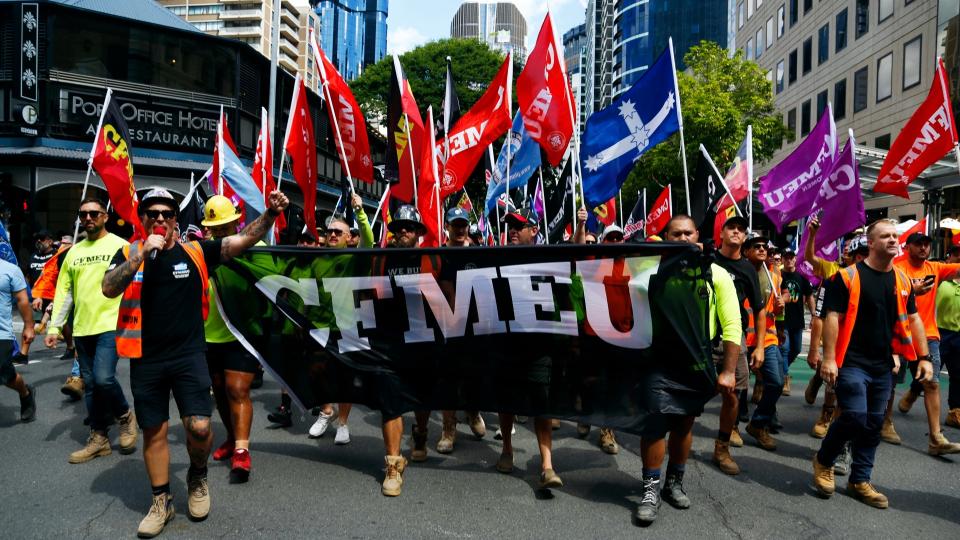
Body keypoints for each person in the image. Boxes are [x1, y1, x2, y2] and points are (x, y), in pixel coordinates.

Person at [101, 187, 289, 537]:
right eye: (152, 213)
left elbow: (245, 239)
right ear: (143, 219)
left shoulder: (197, 252)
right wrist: (139, 256)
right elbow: (109, 288)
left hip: (189, 356)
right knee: (154, 431)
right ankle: (162, 501)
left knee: (201, 427)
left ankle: (198, 476)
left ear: (176, 220)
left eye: (166, 214)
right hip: (146, 358)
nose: (159, 219)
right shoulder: (128, 251)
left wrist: (271, 214)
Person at [812, 219, 932, 509]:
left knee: (874, 424)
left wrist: (924, 357)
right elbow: (831, 318)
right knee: (854, 415)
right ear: (871, 242)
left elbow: (913, 319)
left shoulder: (902, 280)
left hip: (883, 364)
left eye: (895, 236)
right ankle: (824, 460)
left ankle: (860, 480)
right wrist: (828, 358)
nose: (893, 240)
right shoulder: (847, 276)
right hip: (851, 361)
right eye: (886, 236)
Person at [633, 215, 741, 524]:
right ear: (665, 236)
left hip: (697, 363)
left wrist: (728, 371)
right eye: (675, 234)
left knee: (683, 426)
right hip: (658, 359)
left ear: (698, 236)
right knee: (655, 424)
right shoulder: (649, 270)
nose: (681, 239)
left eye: (687, 233)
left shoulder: (716, 274)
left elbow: (733, 325)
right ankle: (650, 490)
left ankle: (673, 484)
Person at [45, 198, 138, 464]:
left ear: (105, 216)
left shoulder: (122, 245)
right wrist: (54, 327)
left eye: (94, 213)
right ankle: (99, 438)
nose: (88, 218)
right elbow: (64, 291)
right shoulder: (73, 252)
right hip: (82, 328)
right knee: (90, 386)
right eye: (83, 214)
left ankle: (124, 416)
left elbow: (134, 283)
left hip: (112, 324)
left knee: (103, 379)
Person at [494, 208, 563, 489]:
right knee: (506, 399)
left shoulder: (547, 259)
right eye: (509, 225)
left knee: (541, 404)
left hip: (538, 345)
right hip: (505, 343)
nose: (512, 230)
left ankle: (547, 465)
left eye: (518, 226)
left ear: (533, 231)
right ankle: (507, 449)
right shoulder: (494, 258)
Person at [201, 195, 264, 481]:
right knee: (220, 391)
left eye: (226, 226)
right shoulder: (201, 251)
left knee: (237, 389)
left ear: (238, 223)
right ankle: (230, 437)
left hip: (243, 334)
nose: (221, 232)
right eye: (215, 228)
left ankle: (242, 450)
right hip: (209, 334)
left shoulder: (259, 249)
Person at [307, 193, 374, 444]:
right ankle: (326, 411)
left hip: (349, 326)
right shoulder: (314, 260)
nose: (332, 235)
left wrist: (360, 212)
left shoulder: (356, 259)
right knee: (318, 371)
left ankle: (343, 423)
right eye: (329, 231)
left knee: (346, 377)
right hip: (320, 326)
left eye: (338, 232)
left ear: (349, 238)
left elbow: (368, 240)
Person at [893, 231, 960, 455]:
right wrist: (912, 289)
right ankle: (884, 423)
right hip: (899, 333)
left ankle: (936, 437)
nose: (923, 248)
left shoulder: (935, 268)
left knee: (931, 382)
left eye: (927, 245)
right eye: (918, 244)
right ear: (908, 247)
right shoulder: (896, 267)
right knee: (890, 381)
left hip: (928, 335)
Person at [428, 207, 486, 455]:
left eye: (464, 224)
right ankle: (448, 429)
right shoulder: (439, 255)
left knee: (474, 375)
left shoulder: (478, 254)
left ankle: (473, 412)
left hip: (474, 328)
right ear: (448, 227)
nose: (460, 229)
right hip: (447, 327)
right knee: (448, 379)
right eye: (455, 224)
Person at [709, 216, 763, 475]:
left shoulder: (747, 268)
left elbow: (759, 310)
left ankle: (722, 446)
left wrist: (760, 346)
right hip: (704, 336)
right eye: (732, 227)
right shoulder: (706, 258)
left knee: (733, 396)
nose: (737, 232)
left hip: (733, 338)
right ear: (721, 232)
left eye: (742, 230)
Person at [742, 233, 785, 451]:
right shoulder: (737, 273)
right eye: (756, 246)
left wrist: (780, 304)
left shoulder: (774, 277)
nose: (762, 249)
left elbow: (775, 310)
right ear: (746, 251)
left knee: (776, 383)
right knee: (735, 388)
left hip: (767, 338)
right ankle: (728, 430)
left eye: (764, 247)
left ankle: (758, 424)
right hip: (740, 338)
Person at [0, 256, 37, 422]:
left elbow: (23, 301)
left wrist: (29, 326)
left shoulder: (10, 270)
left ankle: (26, 393)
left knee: (4, 375)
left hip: (2, 333)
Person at [778, 249, 814, 396]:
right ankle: (785, 378)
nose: (789, 260)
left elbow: (810, 296)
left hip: (798, 320)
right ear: (782, 260)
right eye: (786, 258)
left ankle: (782, 368)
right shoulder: (778, 276)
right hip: (783, 319)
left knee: (796, 349)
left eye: (791, 257)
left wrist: (813, 315)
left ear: (795, 259)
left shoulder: (802, 278)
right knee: (785, 349)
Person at [936, 245, 960, 429]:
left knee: (958, 375)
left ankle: (955, 411)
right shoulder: (940, 277)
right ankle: (913, 392)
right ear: (949, 257)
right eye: (956, 254)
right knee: (930, 373)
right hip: (938, 332)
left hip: (958, 335)